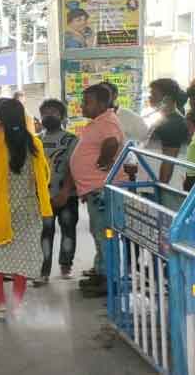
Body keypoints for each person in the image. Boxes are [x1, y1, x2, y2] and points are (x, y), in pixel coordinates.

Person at [0, 99, 52, 317]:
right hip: (29, 208)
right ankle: (17, 304)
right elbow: (45, 176)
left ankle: (0, 303)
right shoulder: (35, 143)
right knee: (23, 256)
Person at [70, 85, 126, 298]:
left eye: (87, 102)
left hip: (103, 190)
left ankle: (109, 280)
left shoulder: (108, 121)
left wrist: (103, 161)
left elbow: (112, 142)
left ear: (102, 104)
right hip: (95, 189)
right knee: (99, 232)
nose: (83, 106)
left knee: (105, 234)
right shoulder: (99, 122)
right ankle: (102, 273)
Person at [37, 99, 79, 284]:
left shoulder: (71, 139)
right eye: (45, 113)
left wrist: (65, 191)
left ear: (62, 116)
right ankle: (43, 271)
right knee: (45, 232)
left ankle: (66, 266)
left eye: (53, 112)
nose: (49, 116)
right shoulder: (37, 140)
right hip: (43, 196)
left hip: (66, 195)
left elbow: (73, 167)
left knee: (68, 229)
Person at [143, 78, 190, 188]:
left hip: (164, 189)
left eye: (154, 94)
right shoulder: (163, 120)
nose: (150, 98)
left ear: (167, 98)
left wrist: (161, 189)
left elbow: (169, 160)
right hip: (151, 185)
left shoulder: (174, 123)